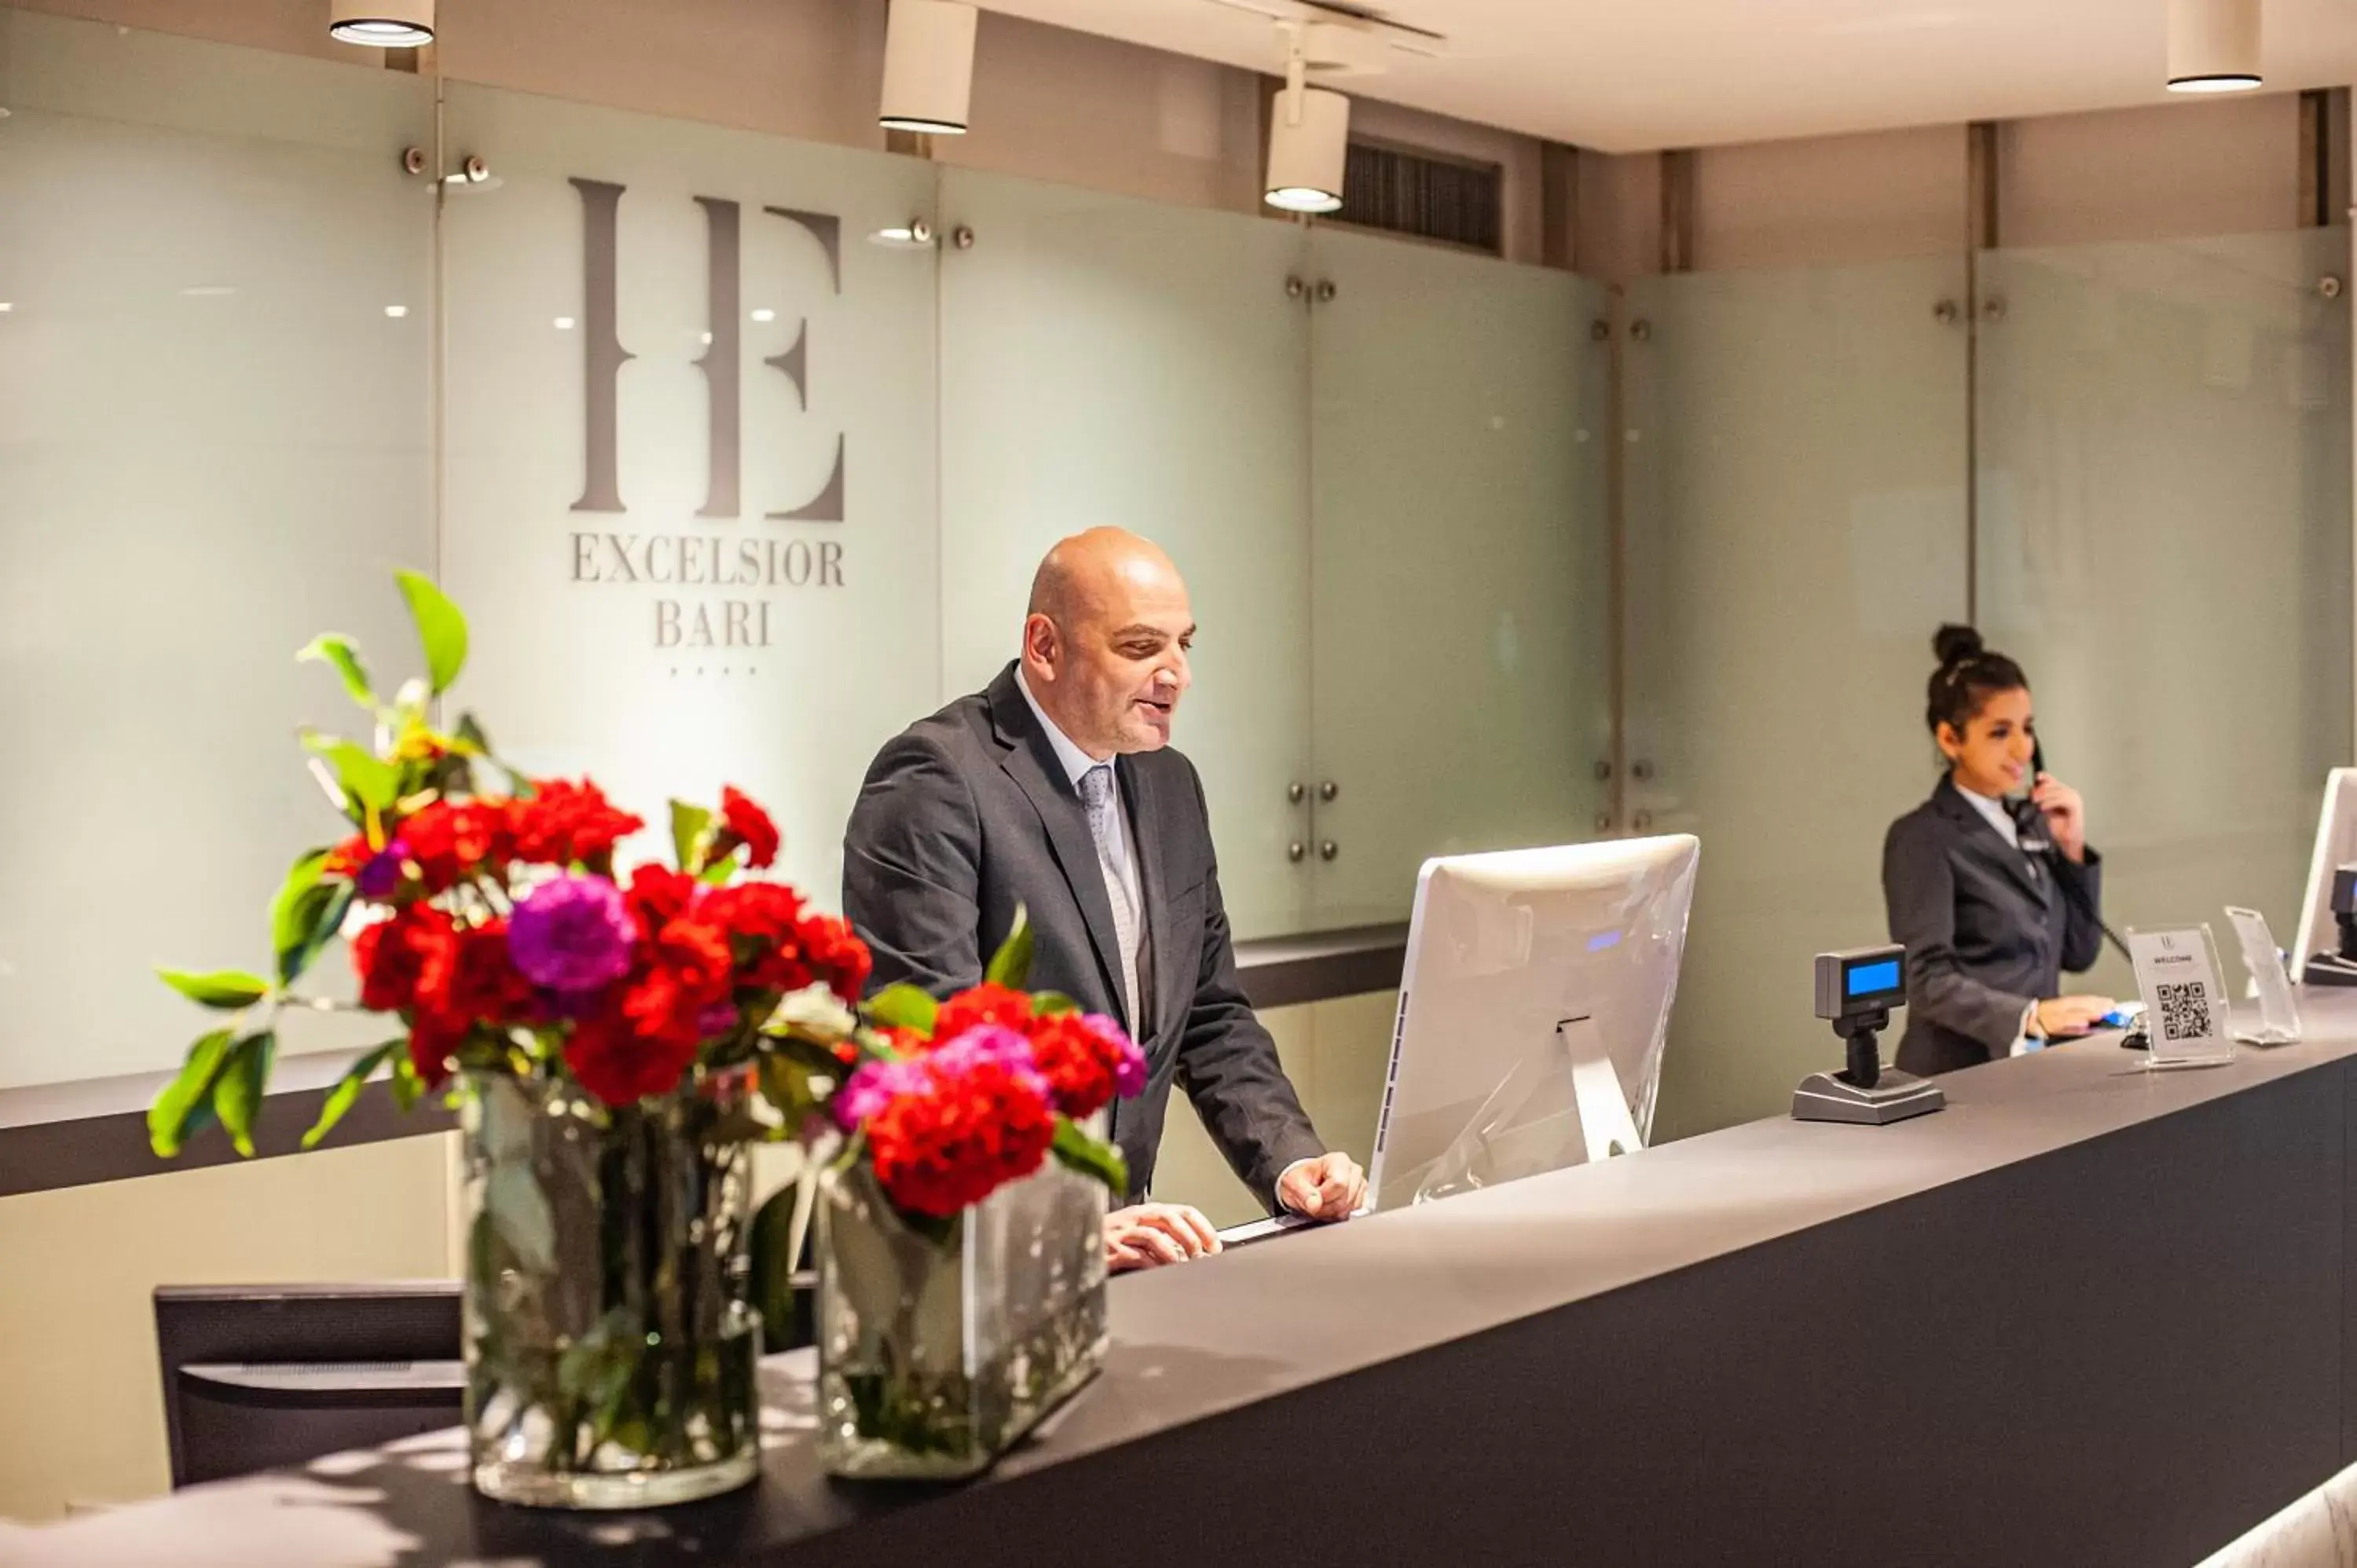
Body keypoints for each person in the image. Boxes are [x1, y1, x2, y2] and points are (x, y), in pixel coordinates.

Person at [842, 527, 1367, 1270]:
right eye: (1140, 647)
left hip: (1117, 1268)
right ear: (1045, 647)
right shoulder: (935, 779)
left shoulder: (1169, 783)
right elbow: (927, 1055)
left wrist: (1292, 1164)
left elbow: (1210, 1017)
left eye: (1185, 644)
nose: (1176, 674)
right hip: (952, 1267)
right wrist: (1058, 1225)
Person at [1882, 625, 2116, 1075]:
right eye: (1999, 732)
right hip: (1958, 1075)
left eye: (2027, 729)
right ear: (1951, 739)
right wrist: (2029, 1015)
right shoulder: (1922, 836)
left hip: (2032, 1071)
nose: (2021, 749)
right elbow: (1926, 978)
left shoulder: (2031, 823)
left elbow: (2079, 953)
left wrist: (2071, 846)